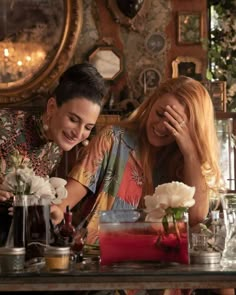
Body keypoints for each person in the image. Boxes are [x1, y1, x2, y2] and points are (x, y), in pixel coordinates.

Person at [50, 76, 222, 295]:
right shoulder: (113, 139)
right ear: (151, 104)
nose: (160, 126)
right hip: (101, 271)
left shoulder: (185, 164)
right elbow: (69, 196)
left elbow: (197, 216)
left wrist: (189, 150)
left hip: (161, 276)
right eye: (159, 114)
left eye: (173, 123)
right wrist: (53, 209)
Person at [0, 62, 106, 246]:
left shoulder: (55, 148)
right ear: (51, 107)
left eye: (88, 127)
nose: (79, 133)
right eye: (73, 119)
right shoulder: (5, 124)